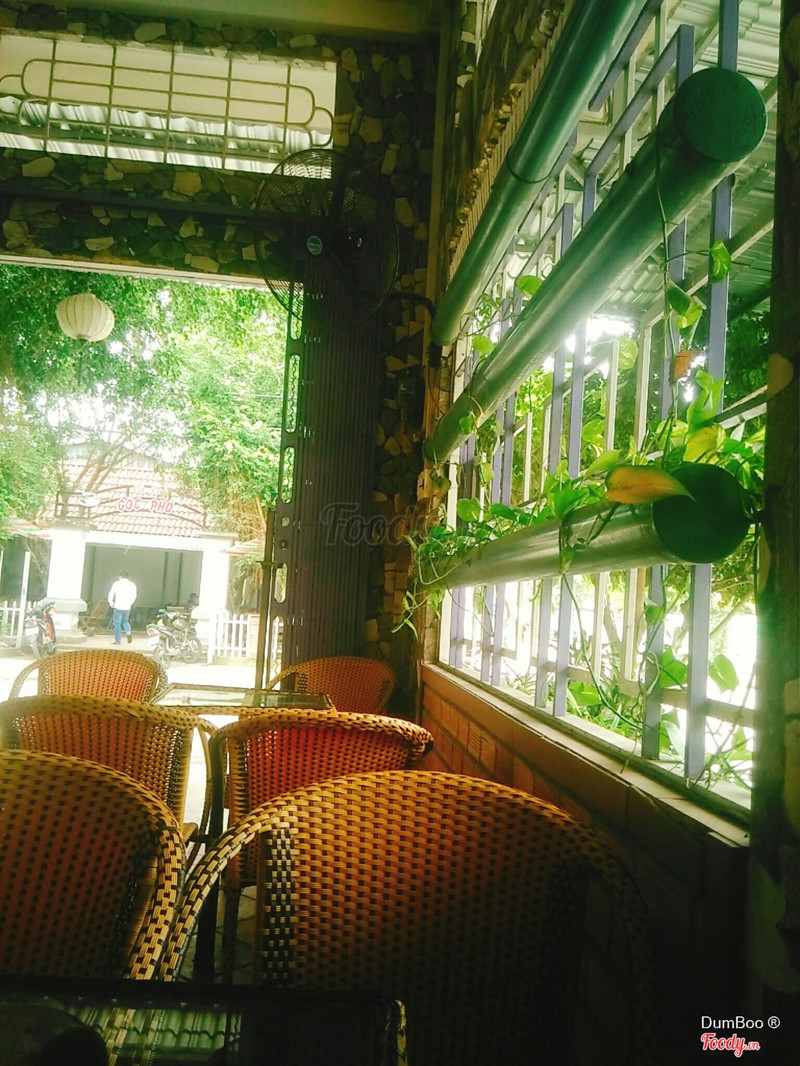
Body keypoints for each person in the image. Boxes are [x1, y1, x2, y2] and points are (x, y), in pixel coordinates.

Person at [108, 570, 137, 646]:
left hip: (118, 606)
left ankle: (118, 640)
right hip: (127, 607)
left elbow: (111, 593)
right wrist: (130, 603)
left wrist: (111, 603)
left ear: (120, 576)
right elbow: (134, 596)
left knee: (117, 624)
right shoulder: (132, 585)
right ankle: (128, 632)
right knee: (125, 622)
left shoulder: (116, 583)